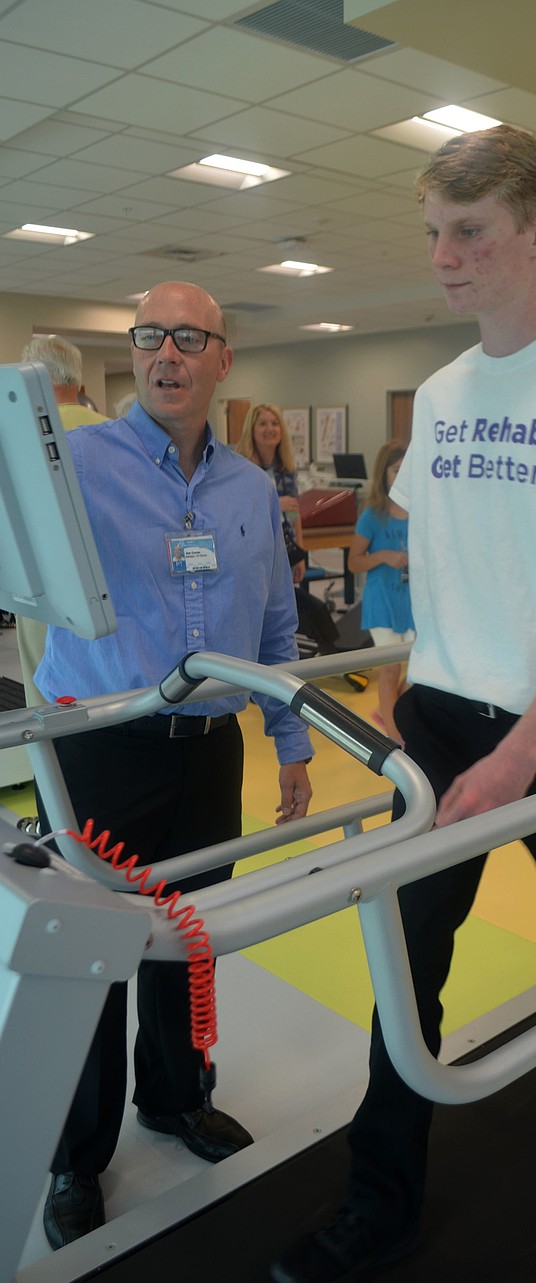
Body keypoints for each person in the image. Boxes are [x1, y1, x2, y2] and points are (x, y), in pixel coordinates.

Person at [270, 124, 536, 1283]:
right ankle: (378, 1199)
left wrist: (522, 754)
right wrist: (403, 694)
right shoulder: (438, 399)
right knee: (414, 948)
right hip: (443, 715)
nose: (443, 257)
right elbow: (432, 571)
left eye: (469, 232)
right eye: (434, 232)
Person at [35, 281, 314, 1251]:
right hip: (100, 748)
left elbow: (277, 626)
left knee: (185, 935)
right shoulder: (76, 457)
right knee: (93, 957)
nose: (164, 353)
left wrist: (291, 743)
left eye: (186, 337)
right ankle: (75, 1152)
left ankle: (176, 1097)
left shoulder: (248, 486)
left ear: (222, 359)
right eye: (148, 335)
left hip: (209, 753)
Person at [16, 336, 109, 707]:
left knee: (44, 695)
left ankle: (50, 763)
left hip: (40, 584)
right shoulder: (114, 433)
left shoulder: (19, 435)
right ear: (80, 385)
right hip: (102, 580)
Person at [347, 440, 414, 742]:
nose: (402, 475)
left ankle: (387, 712)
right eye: (397, 470)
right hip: (382, 602)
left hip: (413, 601)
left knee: (420, 672)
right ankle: (395, 737)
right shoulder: (373, 515)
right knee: (390, 671)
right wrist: (384, 556)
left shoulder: (420, 511)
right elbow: (354, 562)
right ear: (384, 473)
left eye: (406, 469)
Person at [236, 403, 306, 585]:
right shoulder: (241, 469)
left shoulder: (286, 469)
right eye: (263, 424)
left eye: (275, 424)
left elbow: (293, 513)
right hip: (253, 552)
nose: (270, 429)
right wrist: (275, 505)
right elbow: (237, 512)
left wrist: (301, 553)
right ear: (251, 430)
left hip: (284, 549)